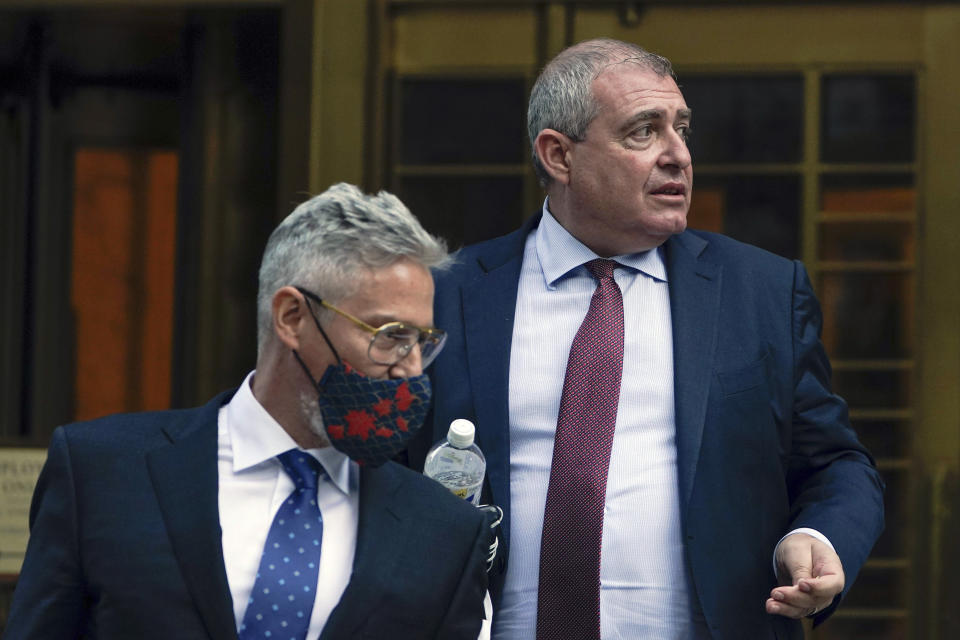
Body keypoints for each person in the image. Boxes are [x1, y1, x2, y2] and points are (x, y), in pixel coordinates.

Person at [407, 38, 884, 639]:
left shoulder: (761, 291)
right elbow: (385, 472)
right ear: (559, 156)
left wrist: (816, 538)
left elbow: (835, 461)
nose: (679, 155)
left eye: (682, 129)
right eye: (643, 132)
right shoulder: (448, 294)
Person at [6, 183, 495, 640]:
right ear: (292, 317)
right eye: (390, 336)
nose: (411, 369)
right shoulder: (101, 473)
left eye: (422, 342)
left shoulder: (444, 533)